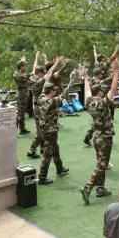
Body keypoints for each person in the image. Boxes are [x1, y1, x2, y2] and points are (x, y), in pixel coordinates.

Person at [81, 56, 119, 204]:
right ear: (100, 92)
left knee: (100, 161)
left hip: (96, 136)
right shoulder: (103, 103)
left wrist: (85, 78)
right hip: (105, 137)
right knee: (102, 164)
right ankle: (88, 187)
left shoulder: (89, 102)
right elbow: (113, 88)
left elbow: (87, 91)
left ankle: (100, 188)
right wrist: (116, 72)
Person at [36, 57, 71, 185]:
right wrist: (72, 82)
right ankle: (42, 177)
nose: (55, 92)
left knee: (55, 148)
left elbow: (46, 82)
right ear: (50, 91)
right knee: (47, 154)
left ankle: (59, 168)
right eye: (54, 91)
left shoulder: (41, 97)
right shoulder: (52, 101)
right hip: (50, 130)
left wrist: (55, 66)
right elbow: (64, 95)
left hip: (45, 128)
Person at [13, 58, 31, 135]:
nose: (25, 67)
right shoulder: (16, 74)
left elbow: (28, 80)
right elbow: (25, 77)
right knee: (19, 113)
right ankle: (14, 130)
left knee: (22, 113)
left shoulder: (22, 73)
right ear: (21, 66)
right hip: (21, 95)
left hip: (24, 94)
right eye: (24, 66)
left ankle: (22, 129)